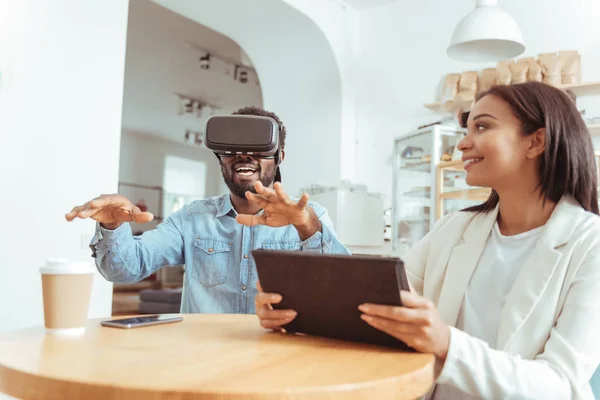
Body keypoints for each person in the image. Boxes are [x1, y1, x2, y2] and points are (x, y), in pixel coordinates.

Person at [256, 82, 600, 398]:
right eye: (466, 129)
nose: (463, 143)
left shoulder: (589, 244)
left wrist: (448, 344)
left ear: (536, 141)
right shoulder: (456, 228)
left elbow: (562, 384)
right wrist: (298, 311)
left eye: (482, 126)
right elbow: (377, 304)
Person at [66, 106, 350, 314]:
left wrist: (306, 226)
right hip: (202, 362)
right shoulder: (192, 219)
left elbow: (342, 288)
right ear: (220, 158)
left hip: (278, 360)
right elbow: (124, 270)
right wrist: (112, 227)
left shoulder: (310, 217)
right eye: (233, 148)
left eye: (257, 147)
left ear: (279, 158)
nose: (244, 155)